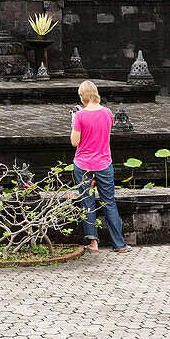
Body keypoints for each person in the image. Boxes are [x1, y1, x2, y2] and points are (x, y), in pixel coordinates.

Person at [70, 80, 131, 253]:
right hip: (104, 163)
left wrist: (75, 119)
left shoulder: (80, 116)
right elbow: (99, 129)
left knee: (87, 203)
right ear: (96, 93)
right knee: (109, 202)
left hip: (83, 165)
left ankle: (93, 243)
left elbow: (75, 142)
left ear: (82, 96)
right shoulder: (107, 113)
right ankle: (119, 244)